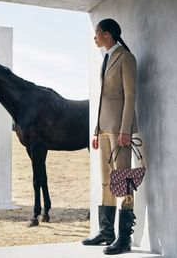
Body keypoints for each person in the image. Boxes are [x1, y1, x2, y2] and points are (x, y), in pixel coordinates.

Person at [82, 18, 138, 255]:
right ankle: (106, 232)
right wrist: (96, 130)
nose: (94, 37)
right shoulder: (105, 59)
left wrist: (125, 130)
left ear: (106, 34)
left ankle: (124, 239)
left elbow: (130, 96)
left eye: (96, 33)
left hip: (119, 131)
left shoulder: (125, 57)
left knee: (123, 179)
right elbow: (103, 98)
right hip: (104, 130)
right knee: (106, 180)